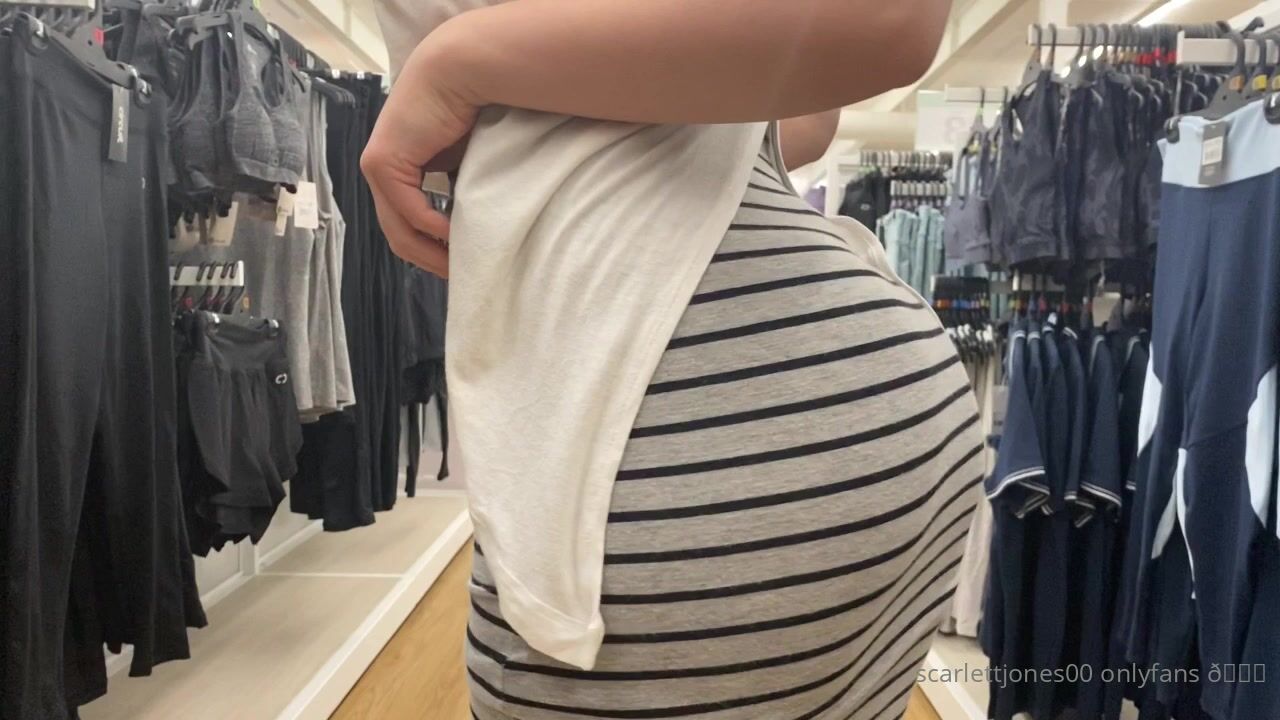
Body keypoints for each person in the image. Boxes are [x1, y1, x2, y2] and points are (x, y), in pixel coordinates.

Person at [361, 2, 982, 718]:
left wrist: (453, 67)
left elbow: (886, 20)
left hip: (682, 438)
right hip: (830, 399)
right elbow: (807, 122)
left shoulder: (460, 60)